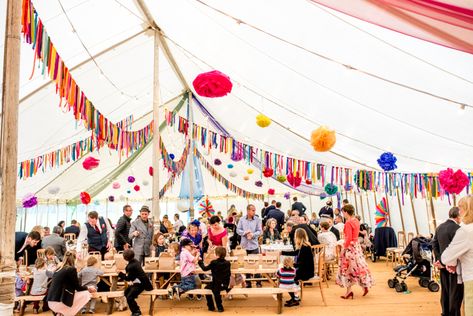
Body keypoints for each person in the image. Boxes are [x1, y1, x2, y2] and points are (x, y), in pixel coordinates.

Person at [442, 196, 473, 316]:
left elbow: (447, 257)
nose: (459, 212)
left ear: (466, 210)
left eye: (460, 208)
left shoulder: (465, 231)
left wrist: (453, 263)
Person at [337, 204, 373, 299]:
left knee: (347, 268)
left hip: (350, 247)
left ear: (346, 212)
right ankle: (364, 285)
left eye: (343, 212)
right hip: (356, 246)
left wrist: (344, 247)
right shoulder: (356, 220)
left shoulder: (348, 222)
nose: (343, 214)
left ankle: (349, 292)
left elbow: (348, 237)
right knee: (359, 266)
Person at [432, 206, 463, 316]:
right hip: (454, 266)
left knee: (445, 290)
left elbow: (434, 244)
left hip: (442, 265)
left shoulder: (440, 227)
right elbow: (457, 249)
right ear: (458, 216)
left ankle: (445, 312)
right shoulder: (458, 229)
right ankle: (454, 313)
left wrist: (439, 260)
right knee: (455, 292)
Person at [47, 251, 96, 315]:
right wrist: (88, 288)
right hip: (59, 302)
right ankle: (63, 312)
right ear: (74, 259)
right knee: (86, 294)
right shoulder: (71, 269)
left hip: (50, 301)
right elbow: (78, 287)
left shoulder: (59, 269)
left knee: (74, 294)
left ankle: (61, 313)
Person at [281, 228, 314, 306]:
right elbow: (295, 253)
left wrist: (291, 265)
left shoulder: (305, 248)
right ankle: (295, 297)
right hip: (305, 270)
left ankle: (295, 299)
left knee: (286, 277)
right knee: (287, 275)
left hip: (306, 272)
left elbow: (302, 263)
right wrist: (282, 252)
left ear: (298, 237)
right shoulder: (304, 246)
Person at [118, 249, 153, 316]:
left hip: (141, 284)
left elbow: (128, 278)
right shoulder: (135, 261)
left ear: (125, 258)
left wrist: (120, 273)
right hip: (139, 282)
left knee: (129, 297)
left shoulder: (131, 266)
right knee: (126, 292)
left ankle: (136, 311)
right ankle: (133, 306)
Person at [237, 204, 263, 288]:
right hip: (244, 245)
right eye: (253, 210)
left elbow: (260, 231)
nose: (254, 212)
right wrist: (245, 233)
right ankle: (248, 282)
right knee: (246, 265)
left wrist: (253, 234)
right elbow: (238, 230)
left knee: (256, 263)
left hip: (254, 245)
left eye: (255, 210)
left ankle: (258, 282)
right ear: (248, 211)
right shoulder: (241, 219)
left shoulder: (258, 220)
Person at [198, 246, 231, 312]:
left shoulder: (214, 262)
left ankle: (211, 306)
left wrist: (200, 261)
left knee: (207, 288)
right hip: (225, 285)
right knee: (215, 289)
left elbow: (204, 268)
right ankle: (219, 307)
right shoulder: (228, 263)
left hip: (216, 285)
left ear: (217, 255)